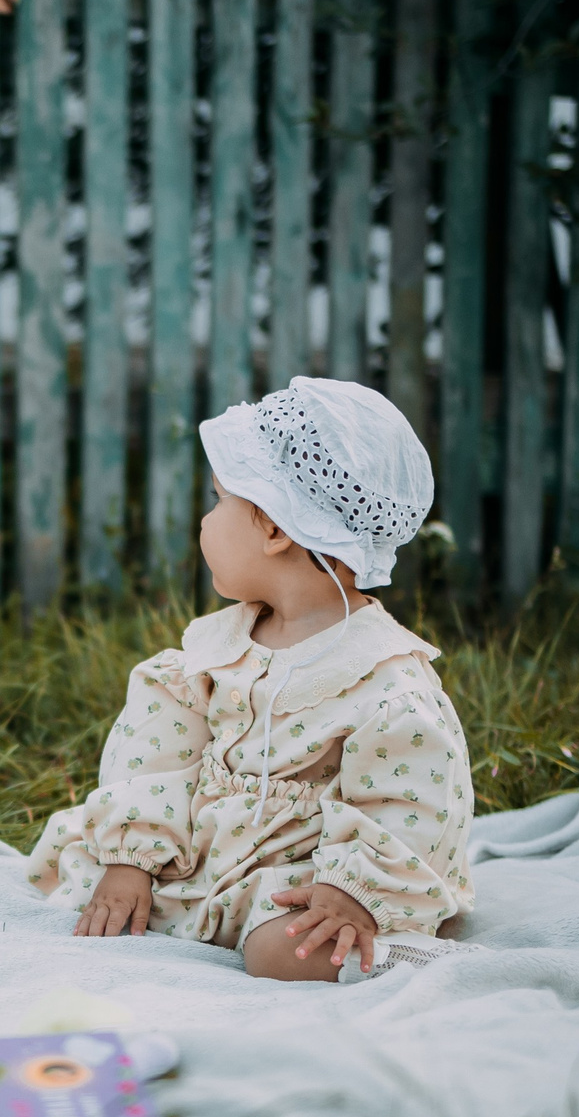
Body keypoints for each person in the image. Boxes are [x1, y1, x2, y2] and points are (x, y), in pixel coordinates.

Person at [24, 378, 476, 982]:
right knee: (87, 882)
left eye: (218, 501)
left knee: (285, 950)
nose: (205, 521)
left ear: (274, 530)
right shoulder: (216, 650)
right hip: (202, 852)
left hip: (305, 876)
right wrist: (133, 857)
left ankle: (404, 953)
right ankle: (166, 887)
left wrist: (354, 892)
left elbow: (412, 803)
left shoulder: (386, 685)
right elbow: (154, 756)